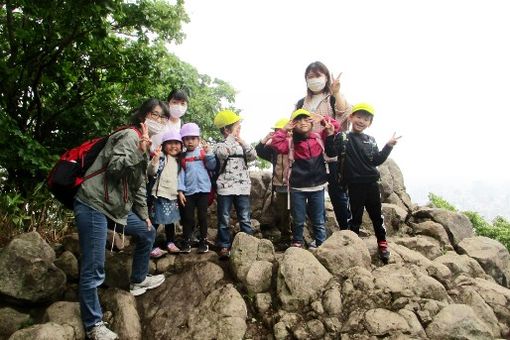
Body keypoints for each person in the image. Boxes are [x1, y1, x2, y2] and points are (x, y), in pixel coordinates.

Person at [73, 98, 167, 340]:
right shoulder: (130, 137)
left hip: (114, 208)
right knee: (94, 267)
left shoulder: (142, 145)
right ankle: (93, 325)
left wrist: (145, 217)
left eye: (163, 118)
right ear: (143, 116)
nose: (159, 121)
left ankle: (137, 280)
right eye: (155, 115)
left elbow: (137, 188)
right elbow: (115, 168)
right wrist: (139, 151)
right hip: (94, 204)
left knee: (147, 232)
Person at [325, 102, 401, 264]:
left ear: (370, 123)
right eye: (358, 116)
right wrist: (331, 134)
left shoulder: (370, 140)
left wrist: (388, 146)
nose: (361, 121)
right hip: (353, 185)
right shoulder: (343, 136)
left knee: (376, 216)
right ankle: (354, 246)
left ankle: (382, 243)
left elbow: (377, 160)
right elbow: (331, 152)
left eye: (366, 119)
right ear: (351, 117)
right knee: (355, 218)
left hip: (371, 184)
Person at [270, 109, 338, 249]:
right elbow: (275, 143)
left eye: (306, 119)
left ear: (312, 122)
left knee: (319, 219)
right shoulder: (290, 143)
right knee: (298, 219)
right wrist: (284, 129)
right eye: (298, 120)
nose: (302, 123)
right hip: (297, 187)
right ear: (293, 124)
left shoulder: (318, 138)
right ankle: (298, 242)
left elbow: (335, 127)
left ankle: (321, 243)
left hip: (318, 186)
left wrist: (322, 118)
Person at [296, 61, 351, 230]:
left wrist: (337, 93)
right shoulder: (301, 103)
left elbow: (345, 117)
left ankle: (346, 232)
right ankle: (319, 235)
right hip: (310, 156)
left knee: (337, 194)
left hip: (332, 153)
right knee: (313, 195)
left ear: (326, 77)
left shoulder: (332, 98)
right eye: (310, 77)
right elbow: (295, 126)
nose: (314, 80)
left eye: (318, 76)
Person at [213, 110, 257, 258]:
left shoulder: (242, 145)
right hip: (225, 188)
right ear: (226, 129)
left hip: (243, 187)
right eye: (237, 126)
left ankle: (248, 244)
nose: (239, 129)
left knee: (244, 217)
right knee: (224, 218)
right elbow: (222, 154)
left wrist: (242, 141)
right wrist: (231, 138)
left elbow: (253, 156)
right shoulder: (219, 145)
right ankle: (224, 245)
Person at [178, 122, 216, 253]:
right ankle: (186, 241)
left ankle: (203, 241)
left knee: (202, 216)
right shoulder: (182, 157)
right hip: (189, 191)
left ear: (198, 139)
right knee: (188, 217)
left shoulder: (203, 153)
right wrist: (180, 191)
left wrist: (209, 153)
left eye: (193, 139)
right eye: (187, 139)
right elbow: (181, 175)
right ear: (183, 141)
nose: (190, 142)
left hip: (204, 190)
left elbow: (212, 166)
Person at [255, 118, 292, 249]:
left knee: (295, 212)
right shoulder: (273, 150)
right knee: (283, 213)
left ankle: (295, 238)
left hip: (294, 185)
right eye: (277, 131)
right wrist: (265, 139)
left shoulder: (293, 146)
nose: (279, 133)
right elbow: (258, 151)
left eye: (281, 130)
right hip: (280, 185)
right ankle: (285, 238)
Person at [147, 129, 183, 258]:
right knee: (155, 221)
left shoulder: (180, 160)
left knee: (170, 221)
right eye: (170, 143)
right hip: (159, 194)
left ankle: (170, 242)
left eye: (176, 143)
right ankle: (150, 245)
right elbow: (151, 171)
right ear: (163, 145)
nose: (173, 146)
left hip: (173, 196)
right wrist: (155, 160)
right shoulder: (161, 156)